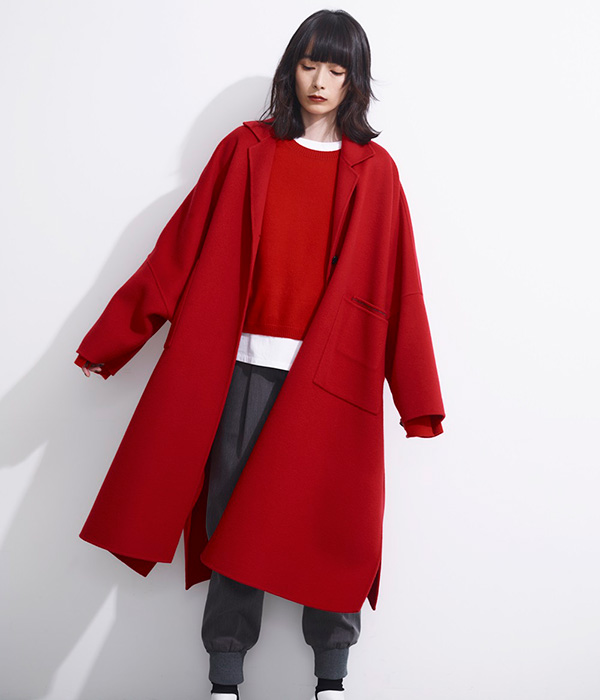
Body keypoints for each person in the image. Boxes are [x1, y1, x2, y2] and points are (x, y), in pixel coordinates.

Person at [78, 9, 445, 700]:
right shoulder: (245, 150)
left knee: (334, 530)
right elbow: (178, 251)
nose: (320, 81)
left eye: (336, 69)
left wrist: (418, 398)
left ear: (355, 81)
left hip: (334, 382)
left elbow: (401, 286)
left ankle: (331, 681)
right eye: (309, 65)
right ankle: (225, 681)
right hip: (244, 373)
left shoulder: (376, 172)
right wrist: (111, 342)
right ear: (291, 69)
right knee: (232, 523)